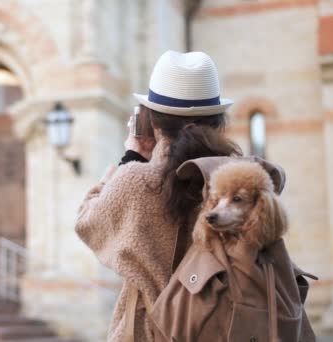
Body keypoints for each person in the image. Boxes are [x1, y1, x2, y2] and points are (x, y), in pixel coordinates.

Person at [74, 50, 242, 341]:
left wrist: (132, 155)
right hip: (229, 329)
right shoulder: (243, 180)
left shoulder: (138, 180)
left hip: (153, 331)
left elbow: (87, 221)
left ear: (152, 121)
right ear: (217, 121)